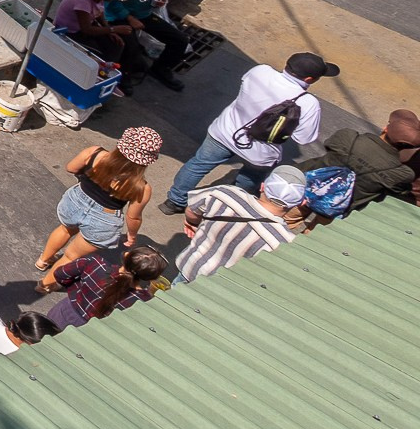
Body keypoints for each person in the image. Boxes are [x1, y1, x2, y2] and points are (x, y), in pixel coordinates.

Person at [163, 53, 336, 213]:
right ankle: (226, 208)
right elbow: (304, 137)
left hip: (223, 131)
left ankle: (174, 202)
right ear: (309, 79)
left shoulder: (260, 71)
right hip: (260, 152)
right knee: (248, 179)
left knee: (198, 165)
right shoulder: (308, 103)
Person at [34, 127, 161, 273]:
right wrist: (132, 235)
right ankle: (46, 286)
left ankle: (43, 260)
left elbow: (71, 168)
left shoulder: (95, 153)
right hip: (103, 220)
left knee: (65, 229)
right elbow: (133, 216)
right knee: (70, 256)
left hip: (75, 202)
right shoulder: (142, 187)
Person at [176, 166, 303, 282]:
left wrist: (192, 223)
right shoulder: (283, 243)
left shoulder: (223, 193)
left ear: (262, 186)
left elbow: (192, 210)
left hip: (189, 266)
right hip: (217, 292)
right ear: (299, 204)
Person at [40, 245, 168, 330]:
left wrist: (77, 288)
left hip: (65, 311)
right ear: (150, 278)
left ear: (126, 255)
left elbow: (60, 274)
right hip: (90, 332)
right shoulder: (142, 301)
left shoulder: (95, 264)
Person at [50, 0, 149, 94]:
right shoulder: (82, 1)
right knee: (97, 55)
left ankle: (107, 74)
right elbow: (86, 29)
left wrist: (110, 32)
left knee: (117, 44)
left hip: (85, 29)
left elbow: (100, 13)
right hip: (71, 33)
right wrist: (113, 29)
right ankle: (95, 79)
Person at [312, 109, 420, 205]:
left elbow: (329, 144)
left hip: (306, 184)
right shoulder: (402, 173)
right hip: (338, 205)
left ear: (385, 129)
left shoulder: (348, 137)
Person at [102, 0, 188, 92]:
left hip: (142, 14)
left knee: (180, 40)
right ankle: (124, 75)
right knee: (131, 46)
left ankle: (161, 69)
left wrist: (155, 2)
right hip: (118, 16)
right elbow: (112, 2)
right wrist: (129, 18)